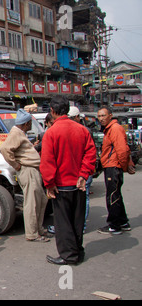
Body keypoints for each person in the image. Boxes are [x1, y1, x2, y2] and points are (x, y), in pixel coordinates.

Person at [40, 96, 96, 265]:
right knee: (77, 221)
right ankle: (78, 251)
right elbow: (91, 154)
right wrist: (83, 174)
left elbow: (47, 162)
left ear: (52, 111)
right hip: (79, 184)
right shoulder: (81, 130)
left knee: (63, 223)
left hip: (61, 186)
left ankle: (68, 256)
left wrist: (49, 184)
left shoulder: (52, 132)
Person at [0, 109, 49, 242]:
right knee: (32, 203)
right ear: (26, 123)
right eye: (30, 123)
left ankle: (38, 229)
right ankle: (32, 234)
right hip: (28, 170)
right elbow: (4, 149)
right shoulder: (16, 133)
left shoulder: (20, 133)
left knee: (41, 200)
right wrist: (16, 165)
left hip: (32, 170)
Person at [97, 106, 135, 235]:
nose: (101, 119)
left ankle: (114, 225)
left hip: (113, 166)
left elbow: (123, 150)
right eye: (99, 116)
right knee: (116, 195)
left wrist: (124, 166)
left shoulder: (115, 129)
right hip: (112, 165)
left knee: (112, 196)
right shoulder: (110, 129)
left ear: (110, 116)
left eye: (103, 115)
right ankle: (123, 222)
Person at [68, 106, 95, 233]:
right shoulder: (84, 130)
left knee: (78, 199)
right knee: (82, 198)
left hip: (79, 170)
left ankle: (78, 225)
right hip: (82, 170)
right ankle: (80, 225)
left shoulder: (83, 131)